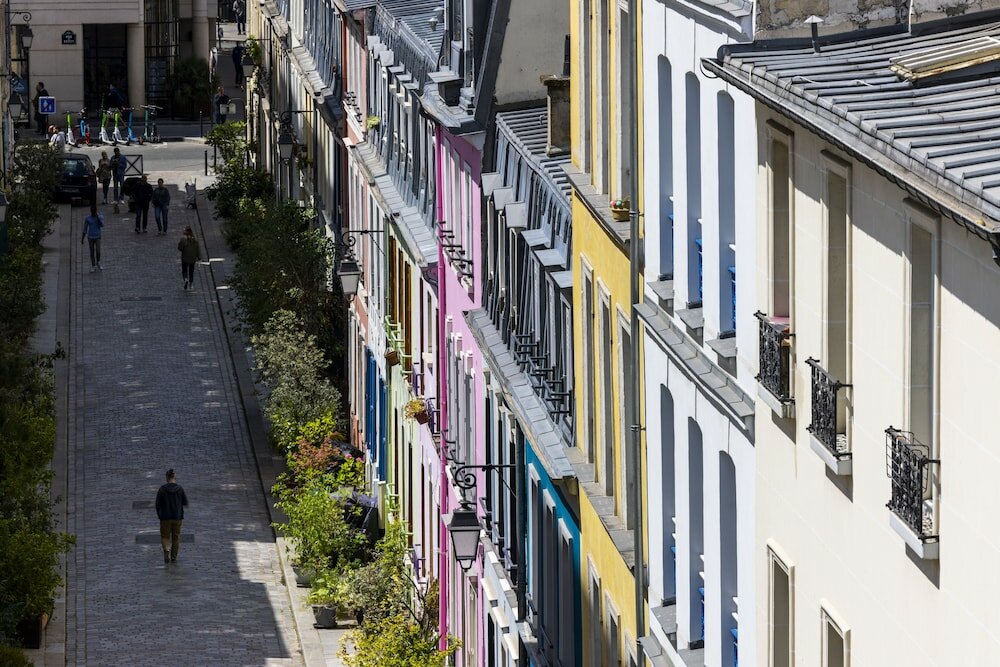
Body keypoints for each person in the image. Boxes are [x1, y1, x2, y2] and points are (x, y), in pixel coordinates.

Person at [155, 469, 188, 564]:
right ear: (174, 477)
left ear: (167, 477)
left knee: (165, 536)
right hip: (177, 517)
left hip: (165, 517)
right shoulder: (180, 489)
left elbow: (157, 504)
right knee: (176, 537)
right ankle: (173, 557)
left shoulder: (162, 489)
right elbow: (185, 502)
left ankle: (166, 549)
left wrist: (159, 514)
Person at [80, 205, 105, 272]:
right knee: (92, 252)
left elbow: (102, 225)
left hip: (97, 236)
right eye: (92, 211)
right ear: (91, 211)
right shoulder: (88, 218)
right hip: (90, 237)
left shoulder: (100, 216)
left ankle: (98, 262)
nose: (93, 212)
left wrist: (98, 218)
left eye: (94, 211)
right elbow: (85, 229)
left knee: (98, 251)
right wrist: (82, 238)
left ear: (96, 211)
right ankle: (93, 265)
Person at [178, 226, 201, 290]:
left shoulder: (183, 239)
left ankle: (185, 279)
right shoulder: (195, 239)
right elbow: (197, 249)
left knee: (184, 269)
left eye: (184, 230)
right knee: (191, 270)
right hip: (192, 257)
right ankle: (191, 284)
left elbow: (180, 248)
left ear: (186, 232)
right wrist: (199, 257)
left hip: (185, 257)